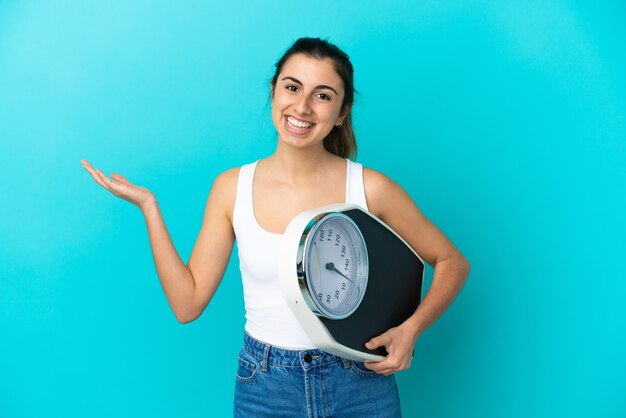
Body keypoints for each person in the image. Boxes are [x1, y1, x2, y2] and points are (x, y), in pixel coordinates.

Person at [81, 37, 469, 417]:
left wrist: (412, 329)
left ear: (342, 111)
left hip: (359, 383)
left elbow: (452, 260)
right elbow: (187, 304)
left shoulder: (369, 188)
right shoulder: (232, 188)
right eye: (292, 87)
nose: (302, 106)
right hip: (265, 386)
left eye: (322, 95)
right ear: (274, 91)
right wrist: (150, 208)